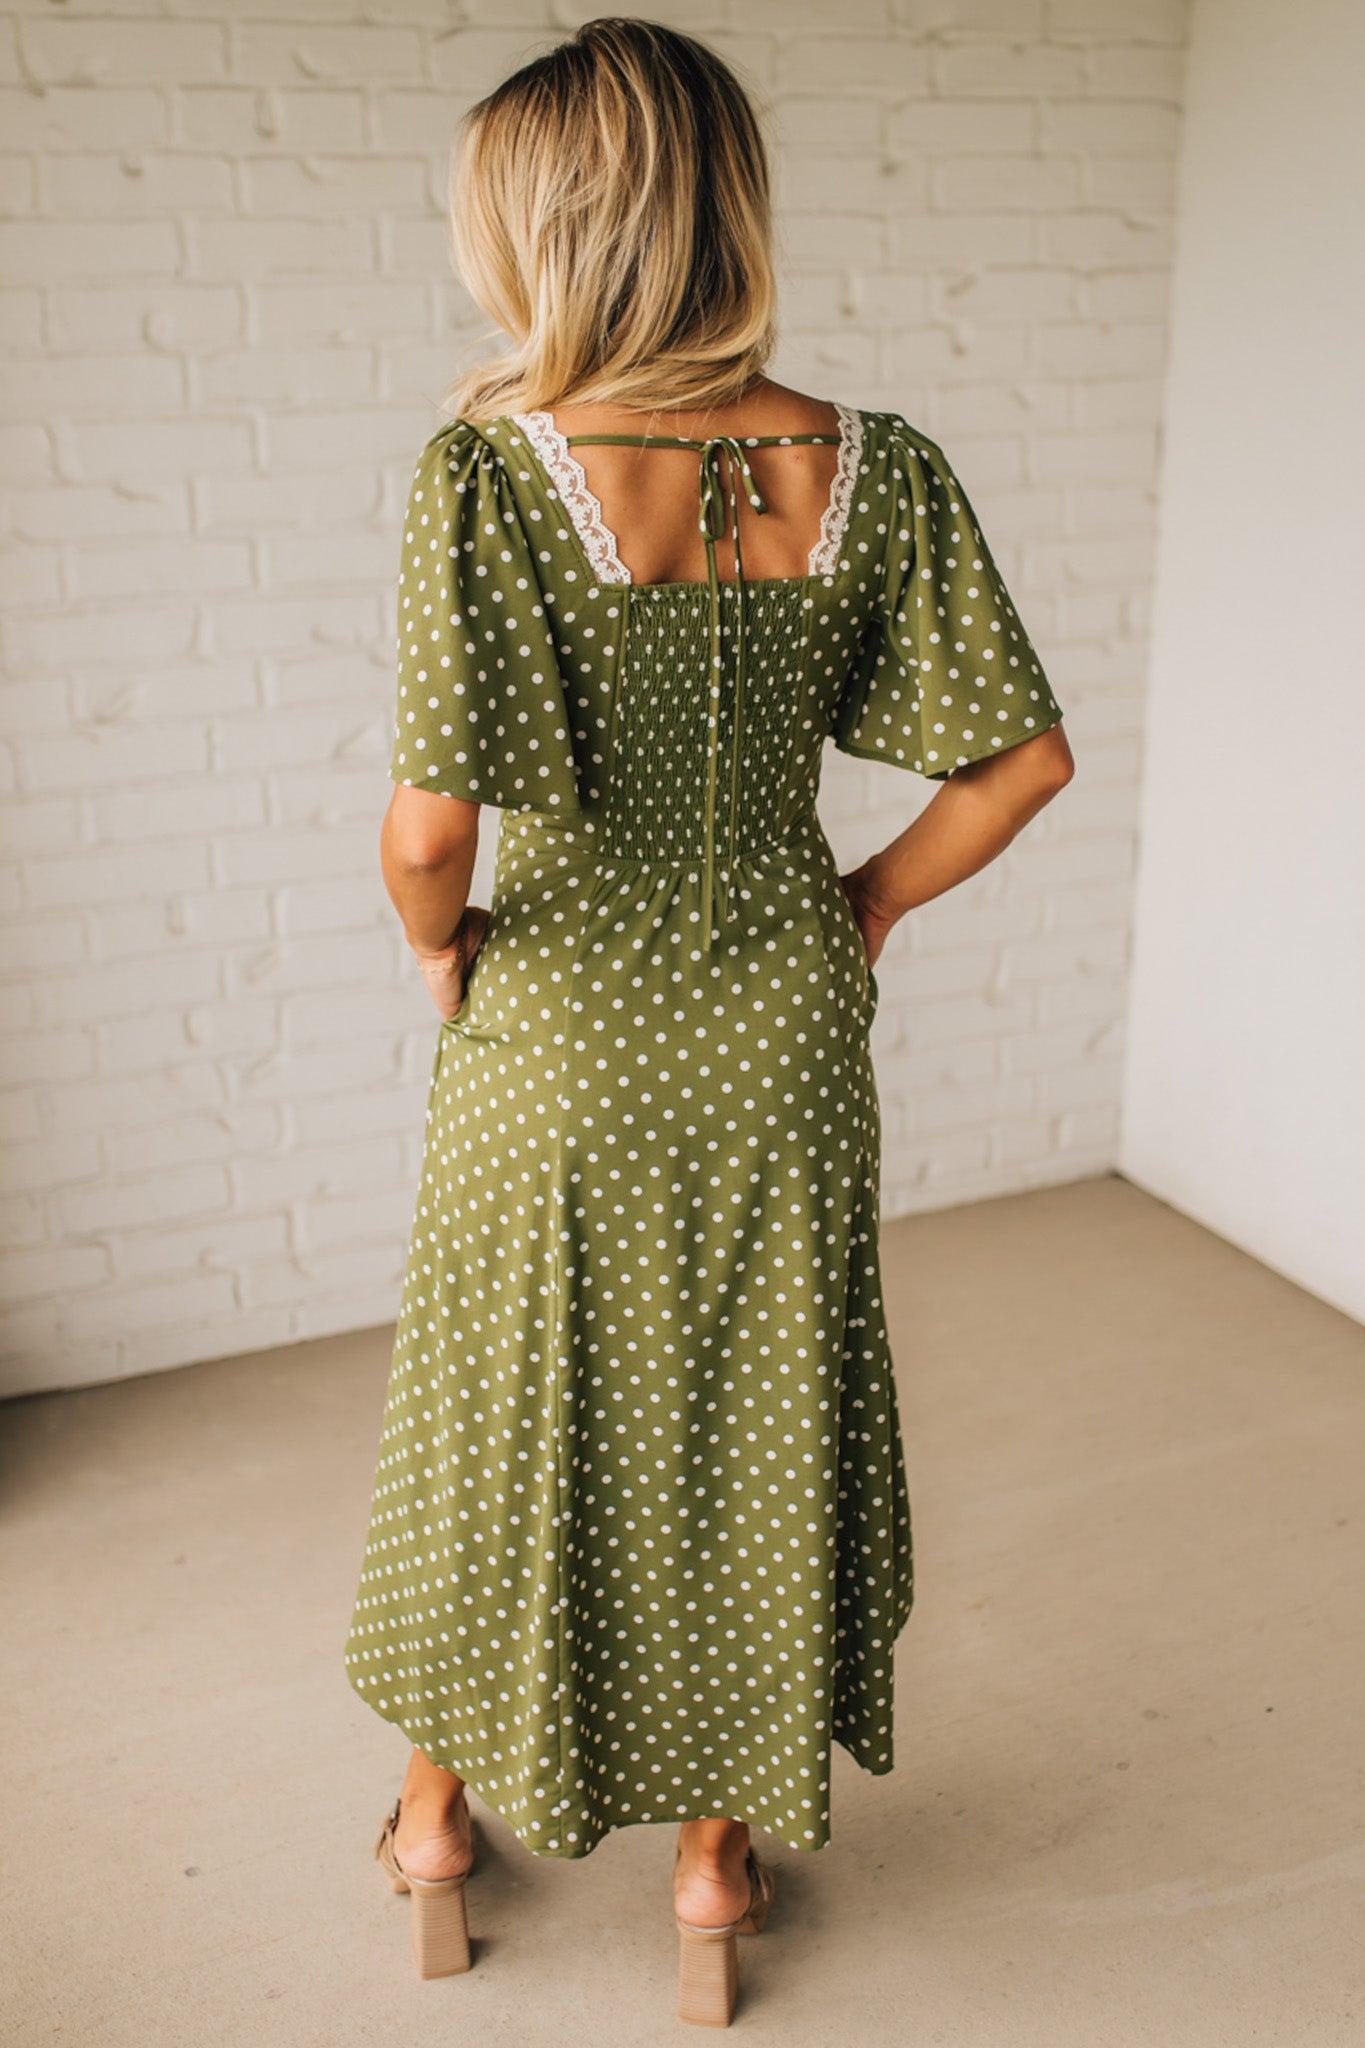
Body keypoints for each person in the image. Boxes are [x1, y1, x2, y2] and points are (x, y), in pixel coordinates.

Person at [346, 15, 1073, 2027]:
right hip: (779, 1027)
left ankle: (433, 1827)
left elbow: (429, 831)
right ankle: (710, 1866)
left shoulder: (492, 471)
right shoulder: (870, 464)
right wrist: (864, 901)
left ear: (541, 231)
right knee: (756, 1416)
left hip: (559, 1031)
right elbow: (1021, 764)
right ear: (719, 207)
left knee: (503, 1416)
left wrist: (436, 945)